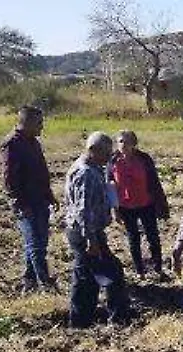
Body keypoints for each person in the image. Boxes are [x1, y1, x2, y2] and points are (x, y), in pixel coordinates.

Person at [63, 132, 130, 328]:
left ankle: (81, 321)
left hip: (85, 231)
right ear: (92, 150)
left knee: (87, 278)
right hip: (85, 233)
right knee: (111, 273)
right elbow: (83, 210)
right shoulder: (86, 173)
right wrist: (91, 239)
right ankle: (118, 319)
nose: (109, 157)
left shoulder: (90, 168)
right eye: (106, 153)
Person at [0, 105, 58, 292]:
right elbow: (9, 180)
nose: (42, 127)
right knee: (36, 244)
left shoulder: (33, 142)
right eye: (39, 123)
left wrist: (49, 195)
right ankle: (45, 283)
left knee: (38, 242)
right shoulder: (12, 144)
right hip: (26, 202)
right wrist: (20, 203)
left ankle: (29, 280)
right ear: (28, 122)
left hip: (40, 199)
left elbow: (41, 172)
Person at [107, 130, 170, 279]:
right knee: (133, 238)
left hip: (145, 203)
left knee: (153, 236)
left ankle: (158, 267)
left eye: (127, 141)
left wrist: (161, 204)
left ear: (134, 144)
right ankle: (140, 271)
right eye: (120, 141)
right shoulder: (113, 160)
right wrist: (114, 208)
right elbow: (110, 185)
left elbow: (154, 182)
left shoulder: (144, 159)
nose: (123, 145)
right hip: (126, 206)